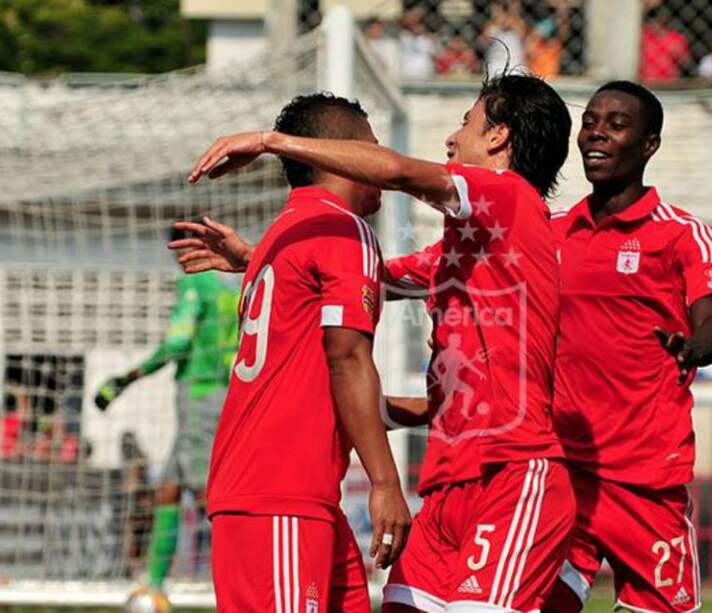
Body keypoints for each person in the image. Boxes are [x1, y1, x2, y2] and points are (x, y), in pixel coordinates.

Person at [181, 72, 576, 612]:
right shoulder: (454, 252)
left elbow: (394, 172)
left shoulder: (509, 197)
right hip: (444, 485)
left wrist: (270, 141)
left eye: (466, 123)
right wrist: (262, 259)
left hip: (509, 474)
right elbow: (362, 276)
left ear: (498, 138)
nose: (450, 138)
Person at [178, 93, 412, 611]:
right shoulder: (343, 229)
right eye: (371, 148)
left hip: (292, 495)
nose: (379, 160)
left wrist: (441, 410)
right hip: (279, 494)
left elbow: (320, 379)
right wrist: (386, 483)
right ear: (341, 154)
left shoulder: (284, 235)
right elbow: (346, 359)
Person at [543, 80, 712, 613]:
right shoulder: (552, 230)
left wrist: (696, 346)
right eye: (591, 122)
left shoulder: (684, 236)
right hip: (561, 468)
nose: (596, 134)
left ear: (650, 144)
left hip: (645, 474)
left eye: (616, 124)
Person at [92, 233, 240, 593]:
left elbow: (177, 342)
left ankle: (239, 578)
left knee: (209, 495)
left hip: (199, 394)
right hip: (221, 392)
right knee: (170, 488)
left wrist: (126, 378)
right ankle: (155, 585)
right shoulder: (228, 285)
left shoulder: (195, 283)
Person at [639, 7, 691, 84]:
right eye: (650, 22)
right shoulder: (645, 35)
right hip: (646, 81)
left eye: (656, 22)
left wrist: (679, 55)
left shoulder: (676, 38)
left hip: (668, 81)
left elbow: (687, 63)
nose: (652, 25)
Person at [481, 1, 528, 78]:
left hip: (515, 65)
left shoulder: (518, 23)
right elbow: (484, 40)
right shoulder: (491, 25)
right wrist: (498, 21)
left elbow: (523, 34)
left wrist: (511, 17)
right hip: (495, 66)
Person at [398, 8, 437, 81]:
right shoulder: (401, 37)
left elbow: (434, 58)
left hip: (424, 77)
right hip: (404, 76)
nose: (415, 26)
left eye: (417, 23)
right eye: (410, 21)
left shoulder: (428, 40)